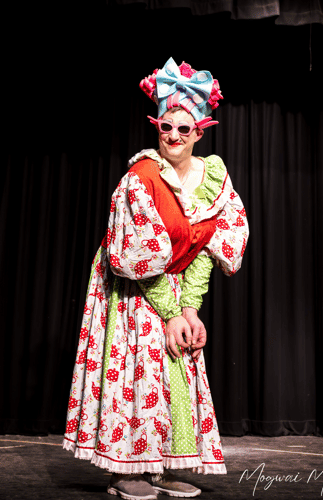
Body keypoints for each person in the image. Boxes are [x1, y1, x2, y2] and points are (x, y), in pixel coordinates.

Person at [63, 58, 249, 498]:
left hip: (175, 286)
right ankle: (126, 467)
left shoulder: (212, 178)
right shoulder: (141, 178)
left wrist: (189, 310)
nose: (173, 136)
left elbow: (211, 243)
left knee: (176, 367)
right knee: (141, 367)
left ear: (200, 132)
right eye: (166, 127)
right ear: (157, 127)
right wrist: (168, 312)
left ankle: (160, 465)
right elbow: (139, 257)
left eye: (184, 130)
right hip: (132, 287)